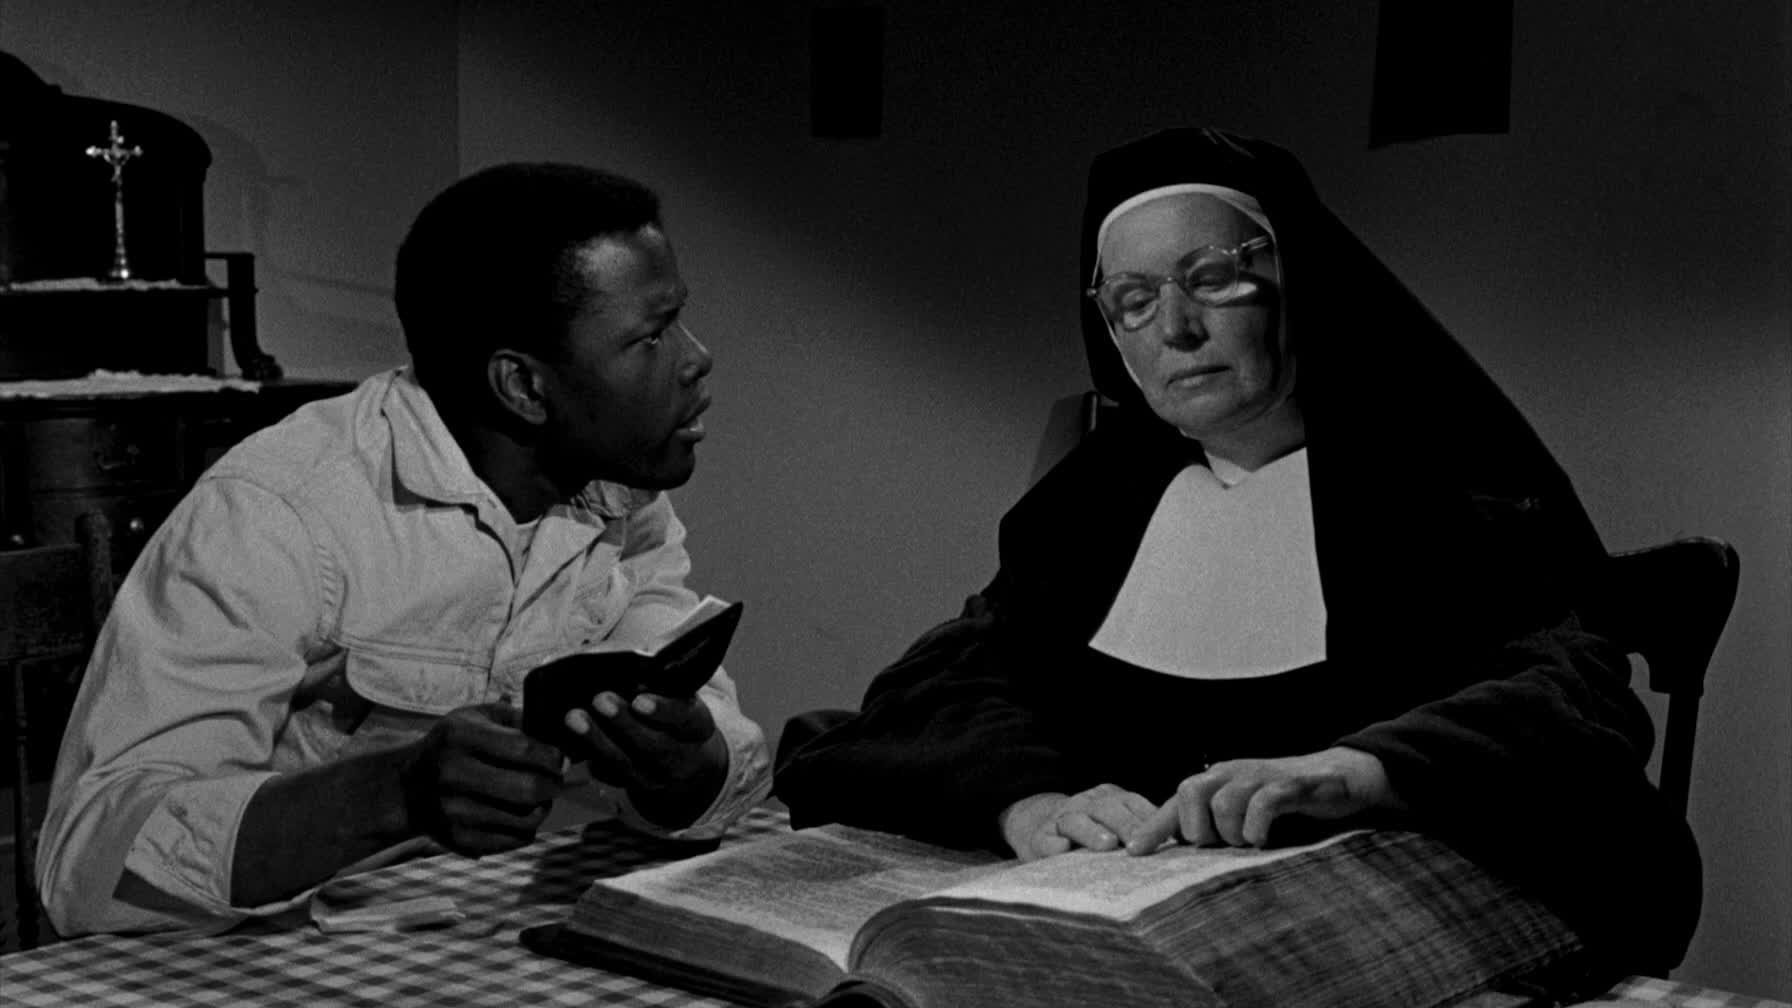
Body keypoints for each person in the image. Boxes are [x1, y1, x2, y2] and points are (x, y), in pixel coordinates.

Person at [775, 128, 1700, 978]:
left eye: (1211, 277)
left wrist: (1359, 770)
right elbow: (941, 686)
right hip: (1114, 943)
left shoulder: (1439, 497)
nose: (1175, 328)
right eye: (1134, 300)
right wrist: (1030, 801)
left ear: (1299, 279)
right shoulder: (1087, 512)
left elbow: (1569, 698)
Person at [37, 163, 772, 936]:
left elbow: (710, 737)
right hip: (285, 965)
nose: (696, 358)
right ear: (524, 387)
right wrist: (392, 793)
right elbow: (90, 867)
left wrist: (687, 766)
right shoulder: (279, 513)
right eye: (652, 336)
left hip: (504, 948)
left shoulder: (619, 496)